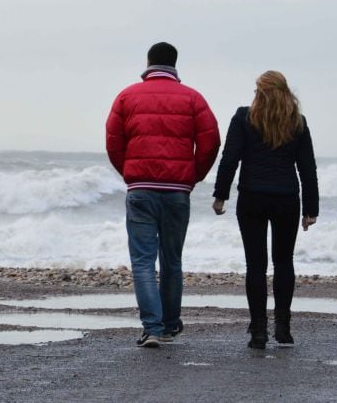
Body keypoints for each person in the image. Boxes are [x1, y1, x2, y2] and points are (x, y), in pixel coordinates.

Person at [106, 42, 221, 348]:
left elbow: (113, 142)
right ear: (174, 64)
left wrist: (130, 173)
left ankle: (153, 328)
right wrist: (193, 175)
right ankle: (169, 326)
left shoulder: (127, 96)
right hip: (176, 191)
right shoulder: (193, 98)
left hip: (140, 189)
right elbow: (211, 141)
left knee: (143, 262)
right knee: (172, 260)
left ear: (149, 62)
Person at [212, 70, 319, 349]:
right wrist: (311, 208)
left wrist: (220, 195)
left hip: (252, 198)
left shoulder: (244, 118)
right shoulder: (297, 122)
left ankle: (259, 331)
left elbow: (230, 159)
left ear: (259, 92)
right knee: (284, 261)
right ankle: (283, 329)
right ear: (285, 92)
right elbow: (308, 168)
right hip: (286, 199)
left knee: (255, 265)